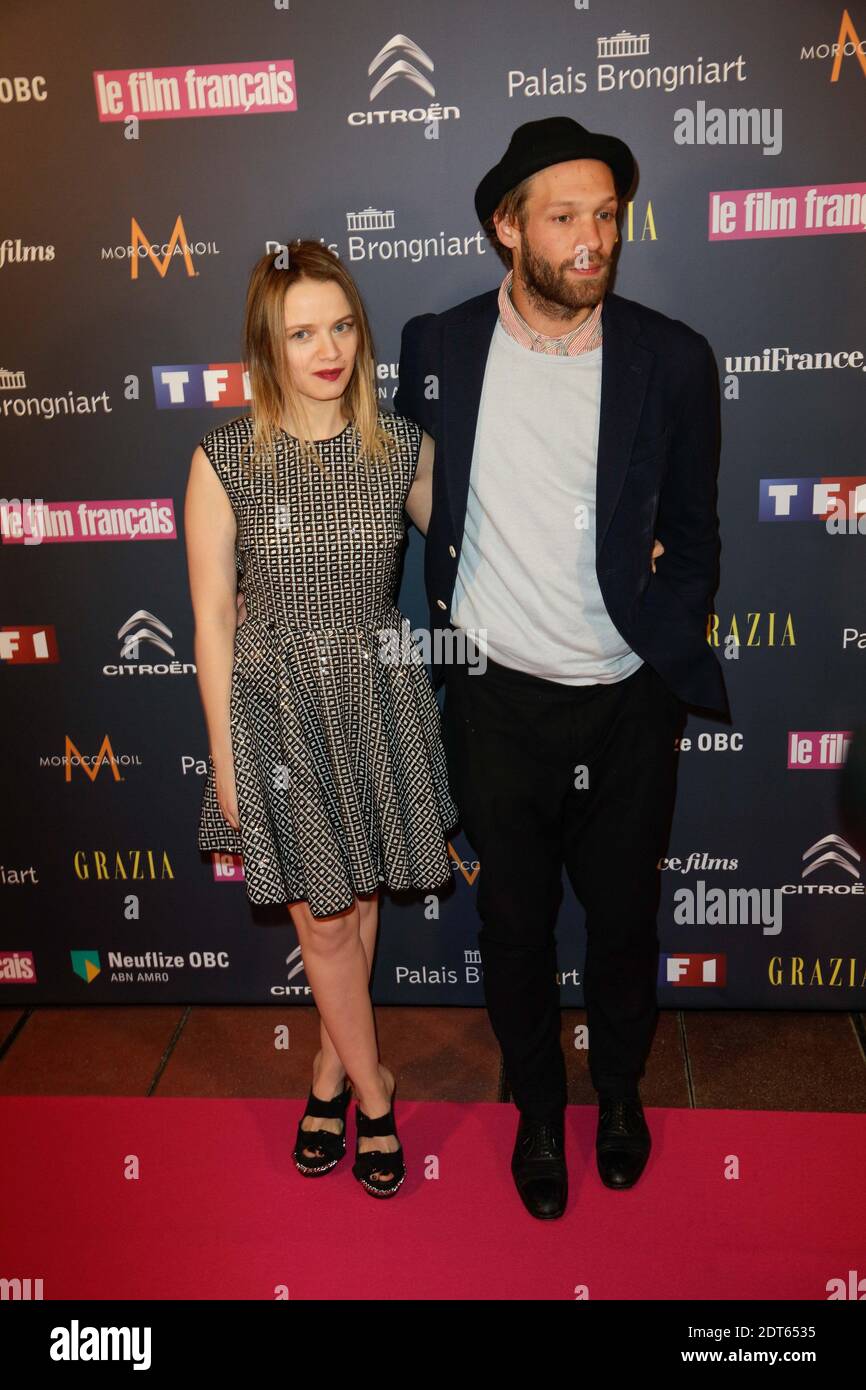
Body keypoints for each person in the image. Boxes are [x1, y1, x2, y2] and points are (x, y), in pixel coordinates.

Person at [393, 116, 729, 1220]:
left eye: (605, 216)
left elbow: (694, 536)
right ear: (505, 227)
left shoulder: (671, 357)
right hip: (495, 704)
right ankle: (539, 1108)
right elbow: (397, 492)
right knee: (514, 928)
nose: (592, 240)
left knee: (625, 922)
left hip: (626, 705)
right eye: (564, 218)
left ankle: (618, 1096)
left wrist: (658, 634)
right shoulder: (437, 347)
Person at [185, 240, 459, 1198]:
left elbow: (482, 539)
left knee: (363, 897)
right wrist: (225, 752)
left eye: (340, 325)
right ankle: (377, 1094)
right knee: (327, 919)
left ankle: (328, 1069)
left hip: (376, 690)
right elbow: (213, 616)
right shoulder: (224, 456)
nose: (327, 348)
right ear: (269, 344)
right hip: (279, 708)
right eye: (302, 332)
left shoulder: (401, 446)